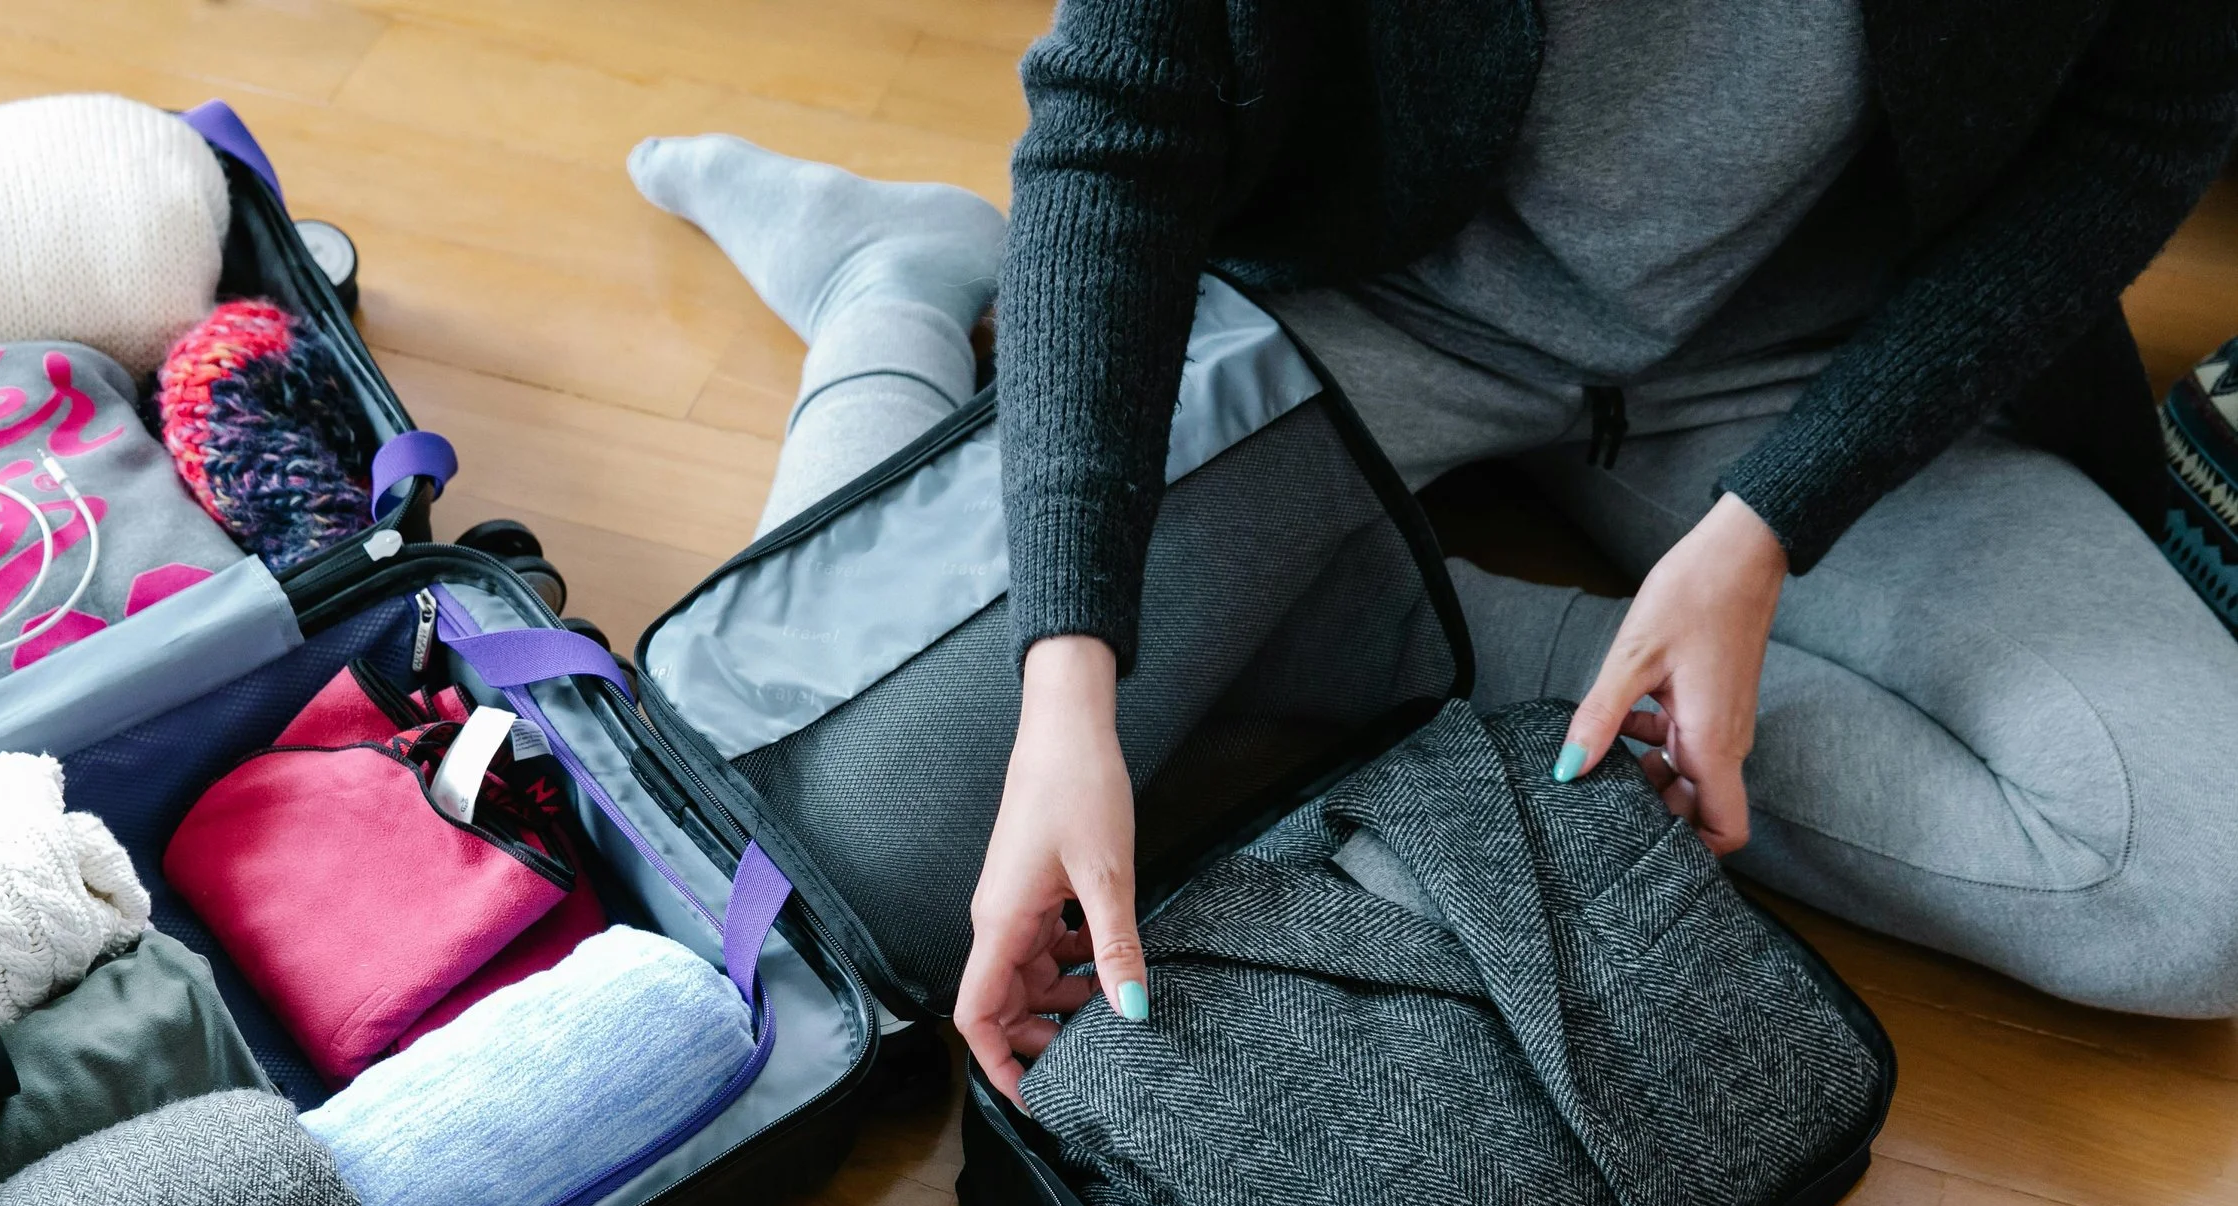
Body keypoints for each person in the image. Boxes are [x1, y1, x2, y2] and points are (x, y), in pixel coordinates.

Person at [631, 0, 2238, 1102]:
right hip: (1370, 304)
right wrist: (1071, 680)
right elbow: (1123, 127)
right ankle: (899, 285)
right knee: (825, 863)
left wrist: (1771, 527)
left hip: (1820, 352)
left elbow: (2136, 134)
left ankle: (1357, 611)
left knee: (2194, 886)